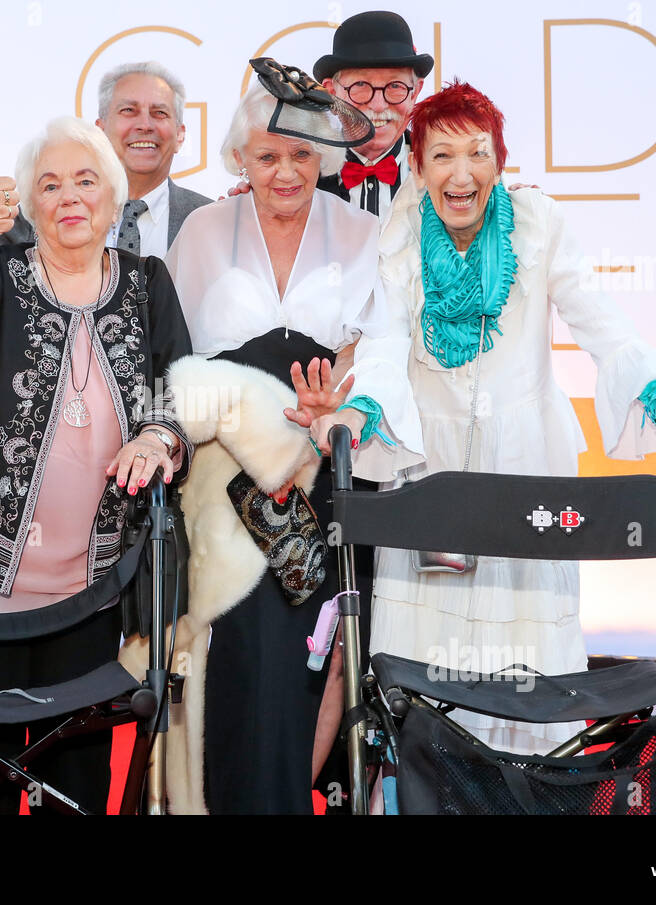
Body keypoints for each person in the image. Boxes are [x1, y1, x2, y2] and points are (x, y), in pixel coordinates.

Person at [311, 81, 656, 755]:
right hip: (433, 478)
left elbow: (606, 329)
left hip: (527, 471)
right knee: (429, 685)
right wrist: (361, 409)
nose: (461, 174)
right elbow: (385, 341)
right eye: (441, 156)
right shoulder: (400, 230)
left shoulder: (537, 223)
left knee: (529, 677)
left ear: (499, 163)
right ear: (417, 167)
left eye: (478, 153)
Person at [0, 116, 193, 813]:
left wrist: (157, 438)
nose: (69, 197)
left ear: (115, 195)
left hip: (90, 586)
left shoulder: (148, 282)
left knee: (78, 781)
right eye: (50, 184)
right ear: (30, 206)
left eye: (86, 180)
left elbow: (182, 387)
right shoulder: (0, 269)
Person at [162, 82, 422, 814]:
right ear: (240, 156)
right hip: (229, 486)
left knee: (328, 659)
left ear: (326, 155)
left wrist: (334, 401)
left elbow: (378, 350)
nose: (284, 171)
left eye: (302, 153)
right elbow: (172, 361)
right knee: (242, 659)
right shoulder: (202, 234)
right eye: (267, 154)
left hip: (332, 471)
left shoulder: (364, 235)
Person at [2, 62, 210, 256]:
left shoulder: (210, 220)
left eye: (160, 113)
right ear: (100, 130)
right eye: (129, 110)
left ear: (180, 135)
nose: (145, 125)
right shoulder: (39, 213)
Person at [313, 10, 433, 219]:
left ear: (415, 92)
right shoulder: (301, 174)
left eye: (395, 85)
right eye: (360, 85)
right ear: (332, 93)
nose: (378, 105)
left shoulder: (442, 172)